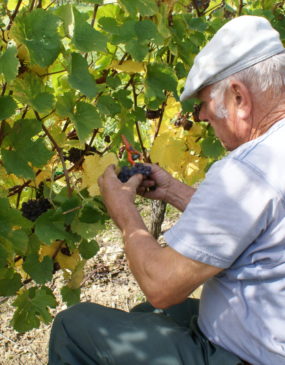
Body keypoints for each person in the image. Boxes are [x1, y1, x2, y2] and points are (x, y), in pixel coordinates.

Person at [48, 15, 285, 365]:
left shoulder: (247, 170)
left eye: (205, 103)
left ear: (239, 97)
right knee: (146, 314)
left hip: (249, 357)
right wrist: (173, 190)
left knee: (74, 326)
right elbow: (251, 220)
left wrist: (125, 215)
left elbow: (161, 285)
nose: (201, 116)